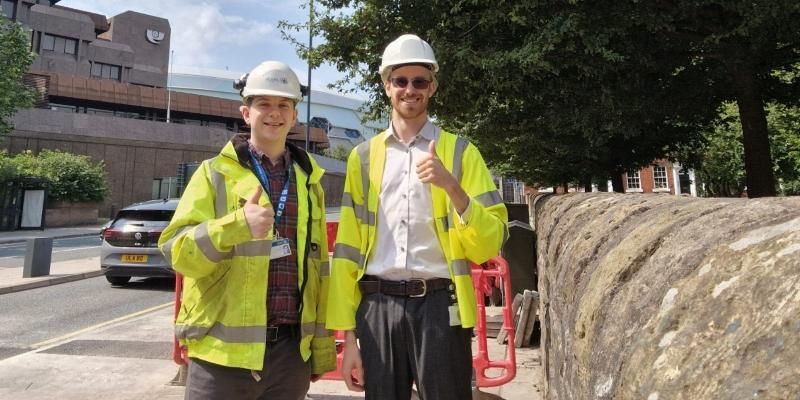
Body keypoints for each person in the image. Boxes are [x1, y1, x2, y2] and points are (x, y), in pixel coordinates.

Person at [326, 34, 509, 400]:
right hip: (377, 307)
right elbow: (346, 252)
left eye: (420, 81)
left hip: (440, 308)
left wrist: (452, 188)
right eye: (401, 81)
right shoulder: (361, 158)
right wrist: (347, 339)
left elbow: (491, 241)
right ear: (386, 86)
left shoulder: (461, 153)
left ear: (433, 86)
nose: (410, 90)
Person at [159, 60, 335, 400]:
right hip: (221, 357)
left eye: (284, 104)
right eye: (264, 104)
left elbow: (315, 273)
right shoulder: (214, 174)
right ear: (245, 113)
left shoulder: (309, 181)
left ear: (294, 116)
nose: (274, 113)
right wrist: (236, 225)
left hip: (290, 354)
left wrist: (317, 349)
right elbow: (176, 251)